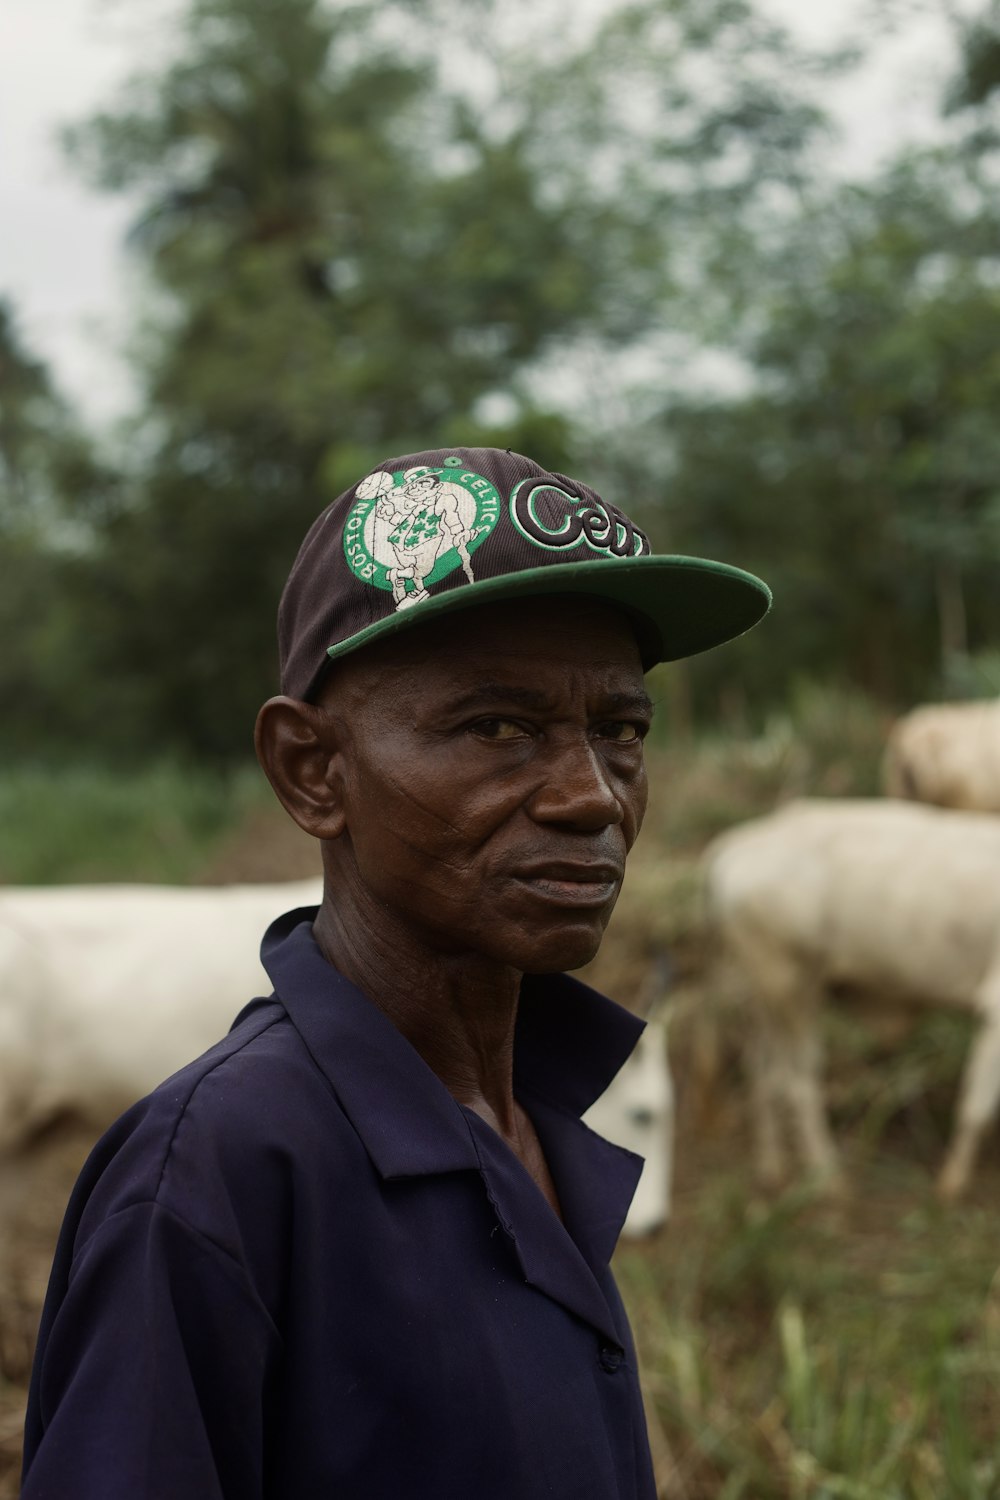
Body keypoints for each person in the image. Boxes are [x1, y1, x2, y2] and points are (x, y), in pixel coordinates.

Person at [21, 446, 770, 1499]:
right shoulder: (216, 1178)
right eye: (497, 727)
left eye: (619, 729)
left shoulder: (535, 1120)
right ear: (312, 772)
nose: (591, 796)